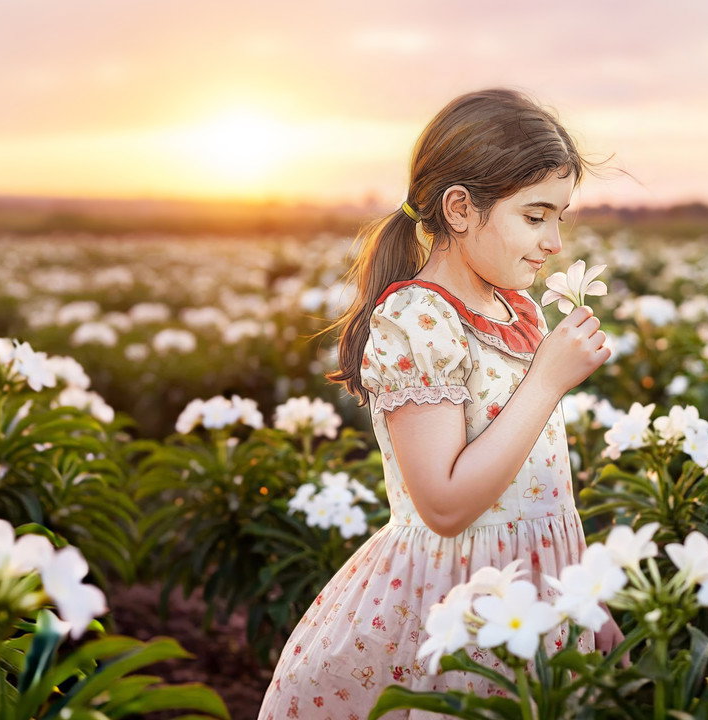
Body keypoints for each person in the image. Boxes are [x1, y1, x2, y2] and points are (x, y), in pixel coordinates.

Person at [258, 87, 621, 720]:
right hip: (453, 612)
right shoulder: (416, 319)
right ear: (460, 208)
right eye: (535, 216)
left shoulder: (521, 310)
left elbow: (547, 487)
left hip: (539, 604)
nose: (554, 241)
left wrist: (589, 601)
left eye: (560, 217)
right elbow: (445, 505)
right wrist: (546, 382)